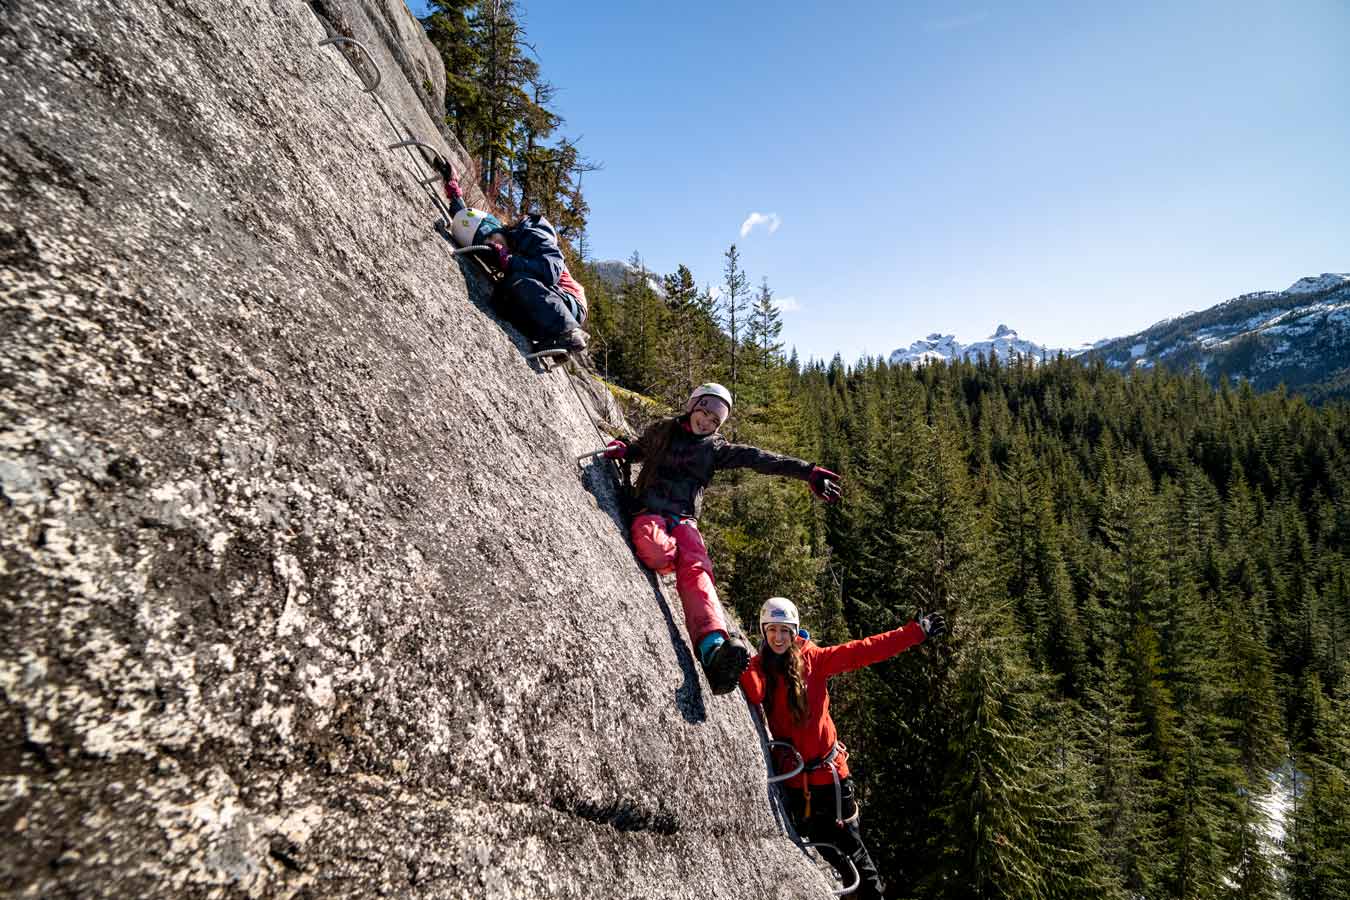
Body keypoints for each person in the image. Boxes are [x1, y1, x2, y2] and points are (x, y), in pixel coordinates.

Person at [602, 383, 842, 695]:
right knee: (659, 554)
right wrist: (623, 448)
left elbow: (760, 459)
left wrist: (808, 472)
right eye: (704, 412)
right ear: (692, 407)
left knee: (697, 568)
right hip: (650, 510)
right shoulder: (663, 430)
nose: (707, 422)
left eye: (715, 421)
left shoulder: (715, 449)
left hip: (684, 519)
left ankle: (714, 648)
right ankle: (680, 568)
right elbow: (638, 447)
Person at [741, 596, 946, 900]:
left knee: (858, 859)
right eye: (772, 630)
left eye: (785, 630)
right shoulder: (760, 666)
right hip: (797, 784)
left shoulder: (815, 660)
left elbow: (863, 651)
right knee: (827, 850)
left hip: (830, 782)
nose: (779, 637)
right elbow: (755, 692)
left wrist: (915, 632)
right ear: (764, 631)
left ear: (795, 632)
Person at [435, 161, 589, 354]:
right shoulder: (498, 247)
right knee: (499, 300)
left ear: (497, 227)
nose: (492, 245)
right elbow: (466, 219)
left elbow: (551, 272)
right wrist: (452, 186)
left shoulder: (531, 231)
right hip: (541, 303)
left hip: (569, 302)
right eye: (487, 244)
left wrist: (510, 260)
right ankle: (548, 339)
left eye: (491, 238)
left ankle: (569, 333)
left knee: (518, 280)